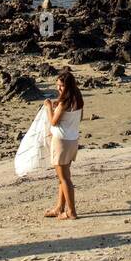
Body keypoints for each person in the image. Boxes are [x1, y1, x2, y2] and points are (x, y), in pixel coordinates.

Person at [43, 69, 84, 220]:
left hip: (61, 141)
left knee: (64, 178)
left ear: (68, 86)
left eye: (61, 86)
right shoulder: (77, 99)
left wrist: (48, 107)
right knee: (64, 177)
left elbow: (53, 121)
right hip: (72, 140)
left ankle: (71, 212)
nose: (58, 88)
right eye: (58, 85)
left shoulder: (64, 102)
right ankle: (59, 207)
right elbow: (75, 119)